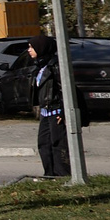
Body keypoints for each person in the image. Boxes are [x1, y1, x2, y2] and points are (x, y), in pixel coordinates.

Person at [31, 39, 70, 179]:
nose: (29, 50)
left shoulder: (55, 66)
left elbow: (64, 89)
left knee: (58, 143)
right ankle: (49, 174)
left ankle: (63, 175)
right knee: (44, 144)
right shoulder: (40, 66)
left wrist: (65, 111)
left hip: (56, 111)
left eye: (32, 47)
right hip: (44, 112)